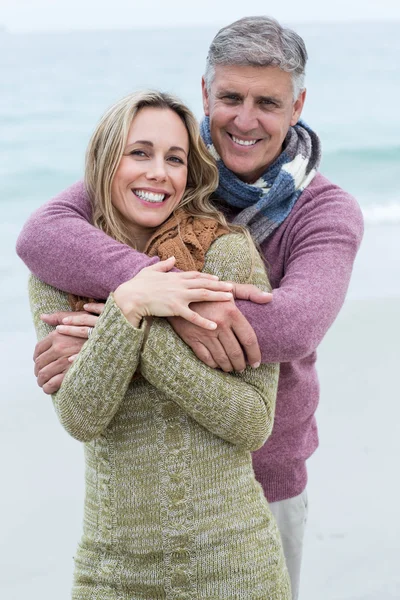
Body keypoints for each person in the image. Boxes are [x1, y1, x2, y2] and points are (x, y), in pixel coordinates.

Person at [17, 16, 364, 599]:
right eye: (230, 97)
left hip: (264, 476)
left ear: (298, 103)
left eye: (267, 102)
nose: (245, 119)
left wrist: (133, 316)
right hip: (135, 500)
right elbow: (43, 236)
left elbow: (292, 324)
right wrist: (144, 293)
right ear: (205, 92)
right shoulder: (160, 166)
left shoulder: (324, 212)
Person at [29, 90, 291, 598]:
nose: (159, 173)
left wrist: (132, 323)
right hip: (110, 570)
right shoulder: (57, 273)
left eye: (175, 159)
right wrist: (128, 304)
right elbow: (81, 416)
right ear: (106, 161)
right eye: (139, 153)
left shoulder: (224, 254)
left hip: (234, 564)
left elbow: (252, 423)